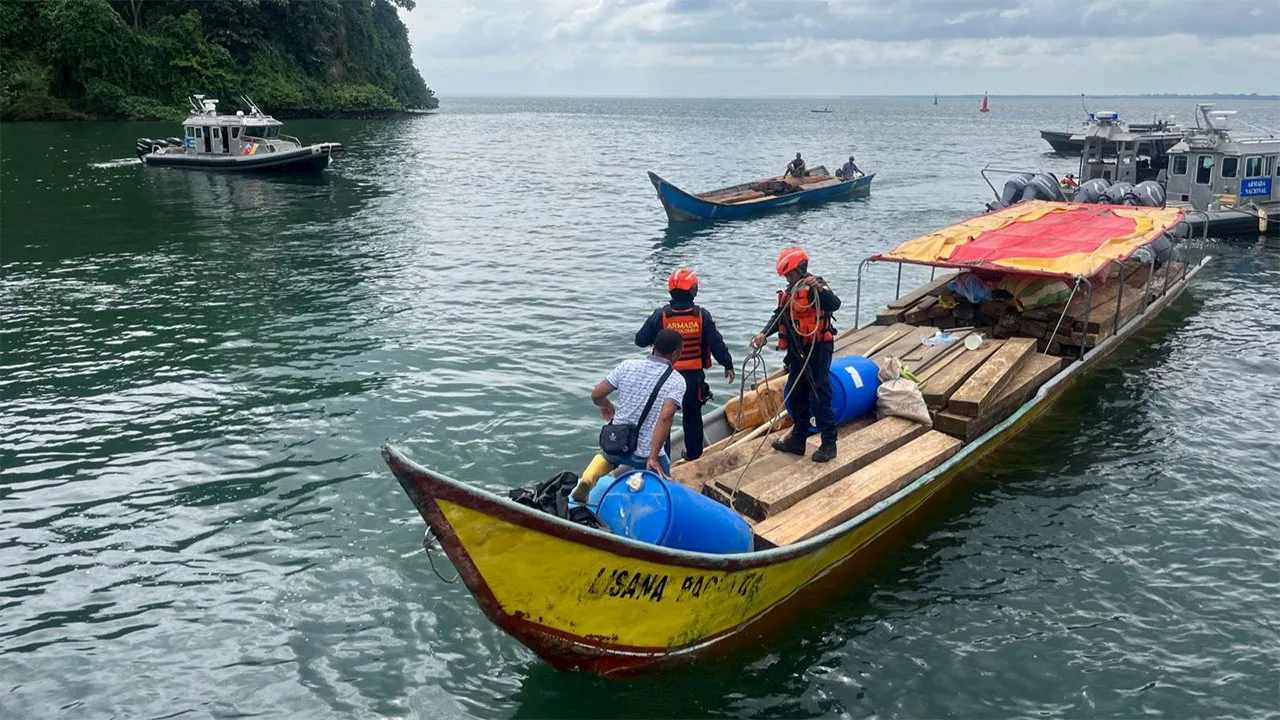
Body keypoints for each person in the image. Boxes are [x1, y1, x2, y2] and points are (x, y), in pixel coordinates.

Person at [750, 246, 842, 463]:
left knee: (820, 394)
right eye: (786, 275)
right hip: (797, 352)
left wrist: (818, 289)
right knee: (796, 394)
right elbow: (780, 314)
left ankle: (829, 444)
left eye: (790, 274)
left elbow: (834, 303)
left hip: (817, 349)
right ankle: (798, 440)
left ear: (801, 269)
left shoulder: (815, 285)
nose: (788, 278)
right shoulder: (791, 291)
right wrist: (764, 333)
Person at [635, 268, 736, 461]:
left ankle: (660, 457)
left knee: (662, 417)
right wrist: (728, 364)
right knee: (692, 417)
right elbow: (716, 343)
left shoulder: (660, 316)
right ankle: (694, 455)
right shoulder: (701, 316)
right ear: (693, 291)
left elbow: (640, 339)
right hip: (693, 377)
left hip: (665, 376)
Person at [591, 328, 687, 478]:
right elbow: (666, 417)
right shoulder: (676, 380)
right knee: (664, 486)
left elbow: (596, 394)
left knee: (608, 456)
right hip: (645, 453)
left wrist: (606, 405)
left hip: (617, 441)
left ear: (654, 347)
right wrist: (653, 457)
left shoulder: (627, 366)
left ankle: (590, 475)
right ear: (674, 354)